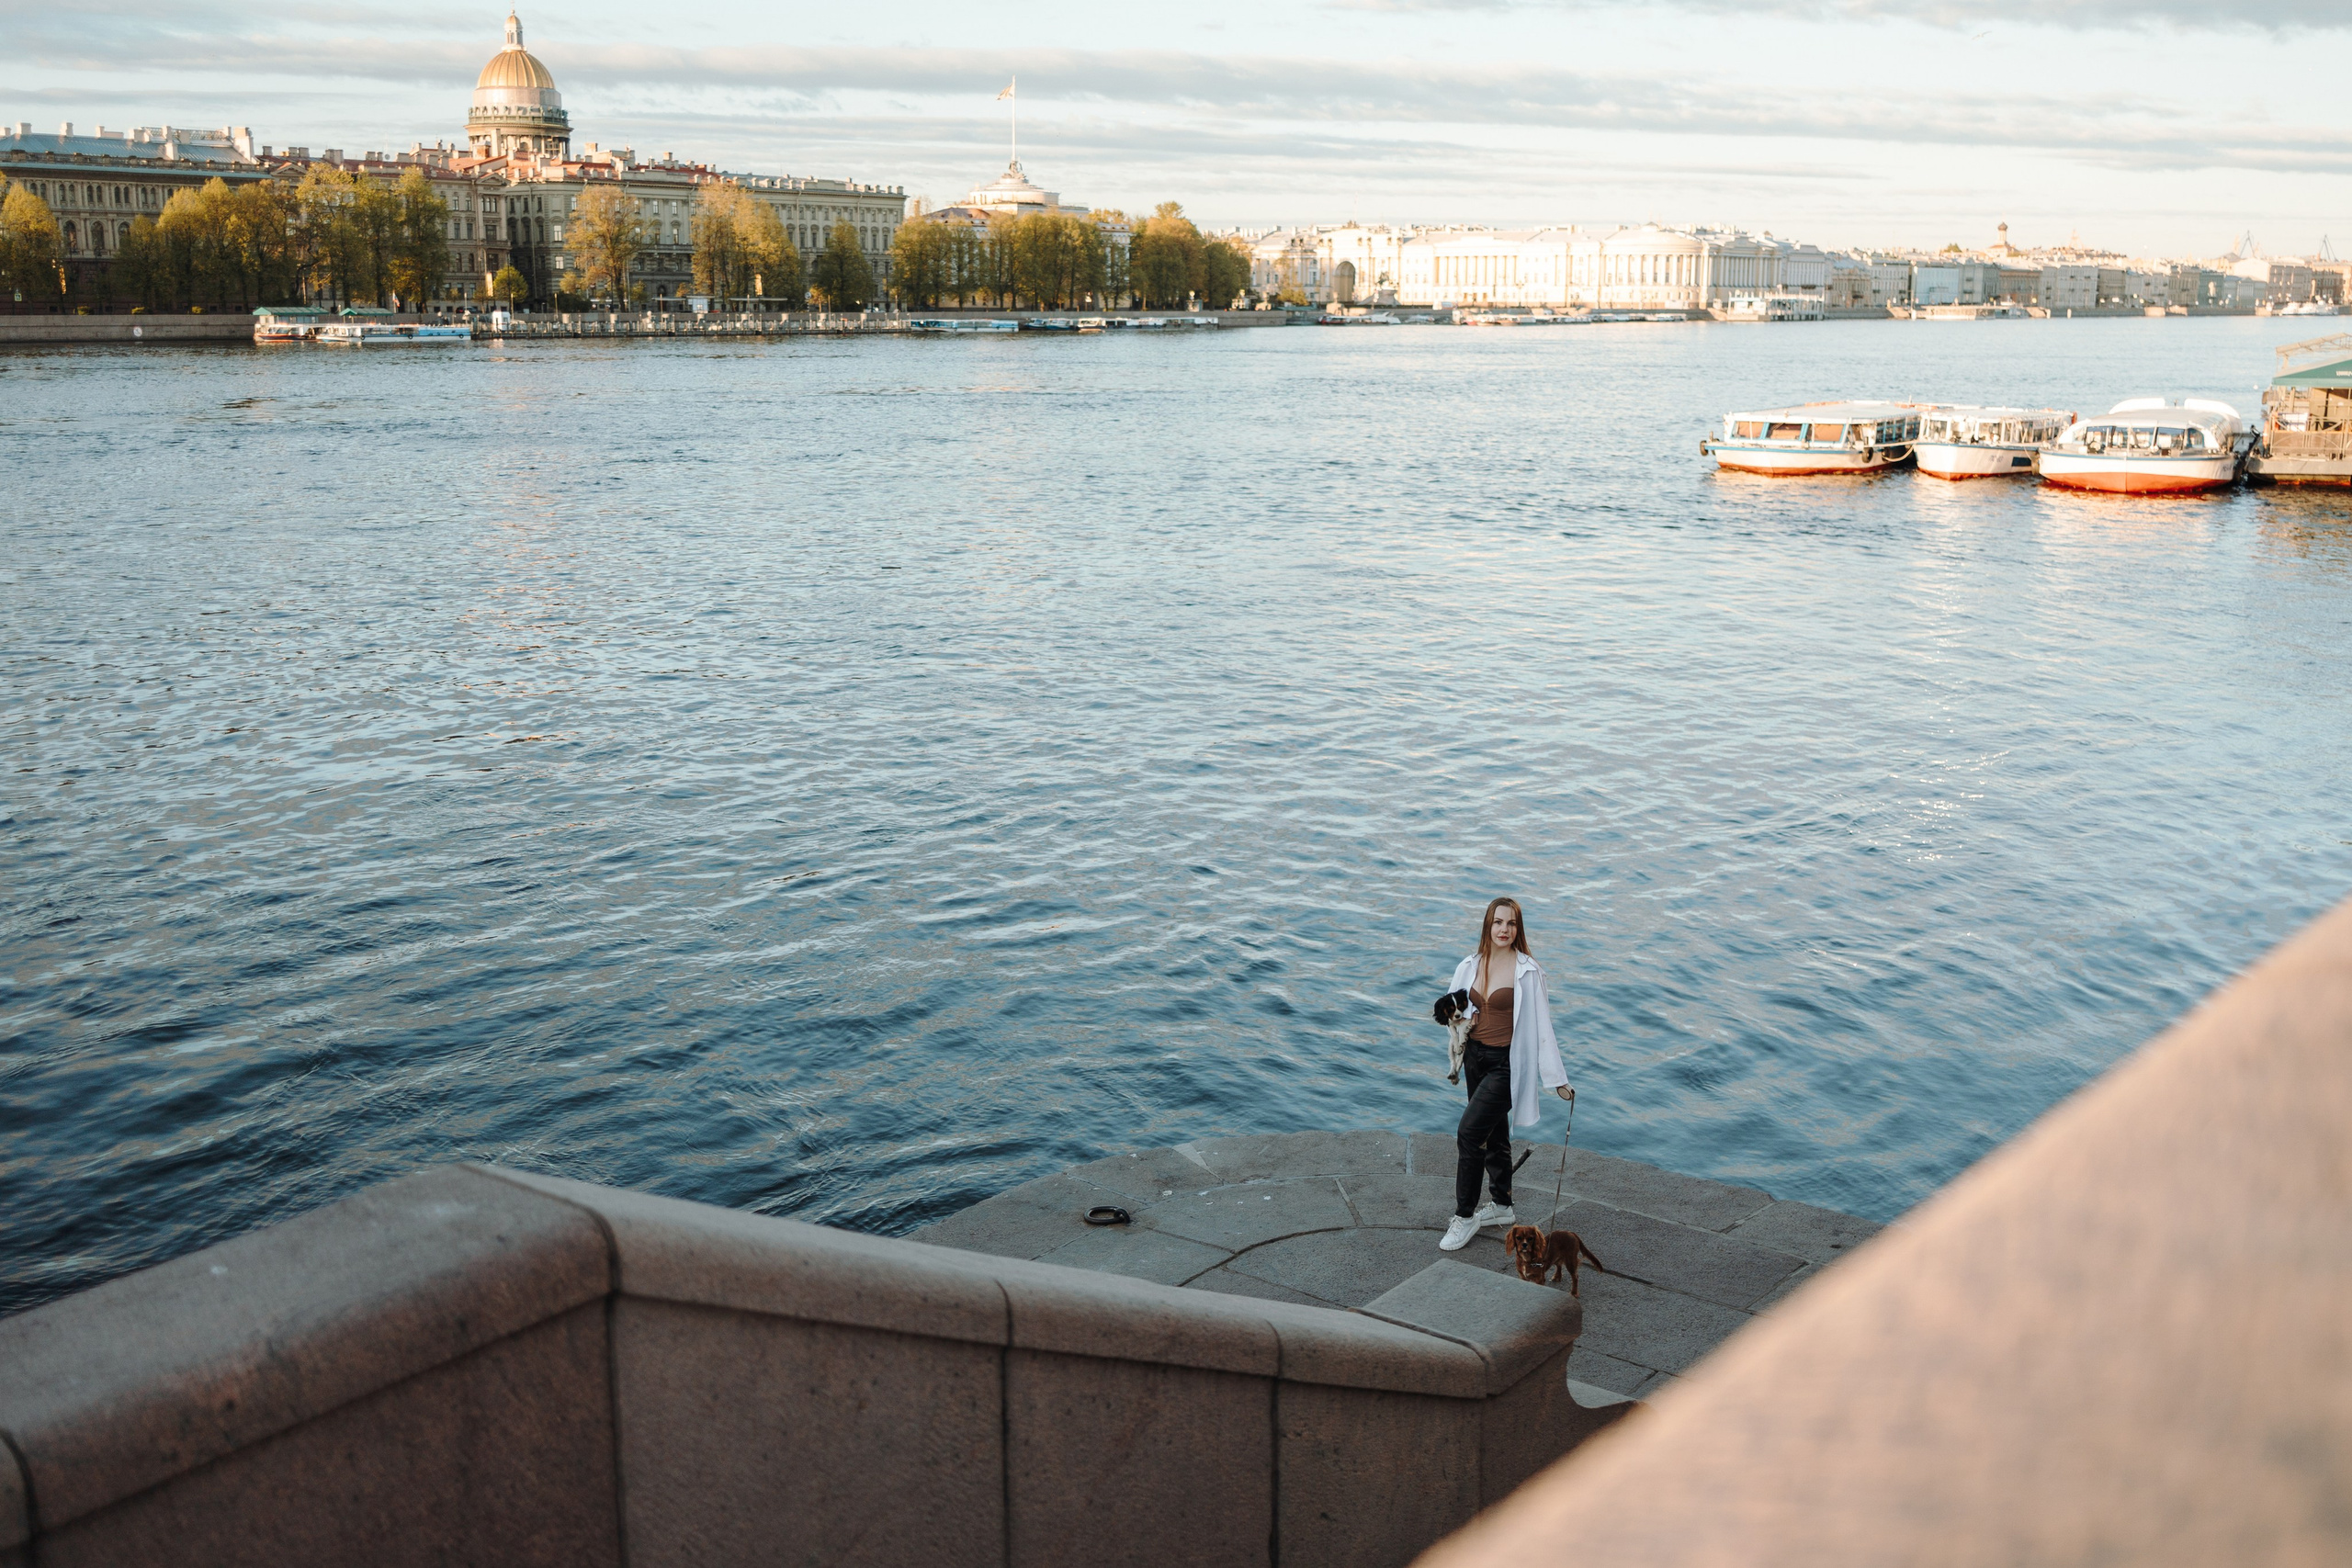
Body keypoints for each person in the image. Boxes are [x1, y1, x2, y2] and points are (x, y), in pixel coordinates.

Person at [1439, 897, 1571, 1252]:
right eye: (1498, 922)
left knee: (1469, 1133)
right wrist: (1465, 1017)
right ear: (1488, 925)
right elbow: (1449, 1011)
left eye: (1511, 924)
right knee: (1494, 1134)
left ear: (1518, 929)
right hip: (1474, 1060)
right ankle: (1501, 1206)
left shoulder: (1528, 971)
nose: (1504, 929)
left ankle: (1464, 1217)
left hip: (1506, 1064)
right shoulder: (1469, 965)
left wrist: (1556, 1078)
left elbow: (1543, 1027)